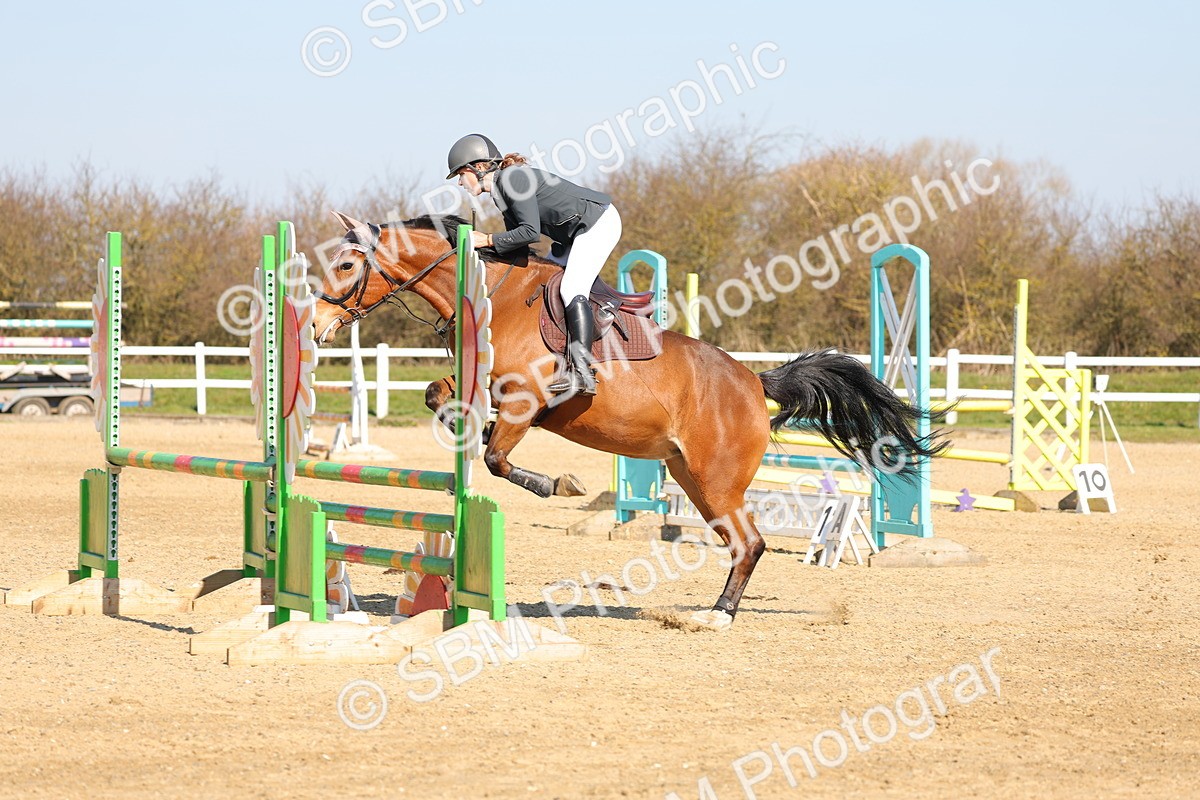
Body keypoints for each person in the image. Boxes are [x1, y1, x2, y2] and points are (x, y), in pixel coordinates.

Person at [446, 133, 621, 396]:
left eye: (461, 174)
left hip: (597, 223)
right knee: (545, 283)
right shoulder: (501, 191)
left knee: (571, 288)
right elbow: (518, 246)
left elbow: (529, 232)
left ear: (478, 167)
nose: (460, 182)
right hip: (572, 236)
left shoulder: (513, 179)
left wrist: (487, 239)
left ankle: (582, 373)